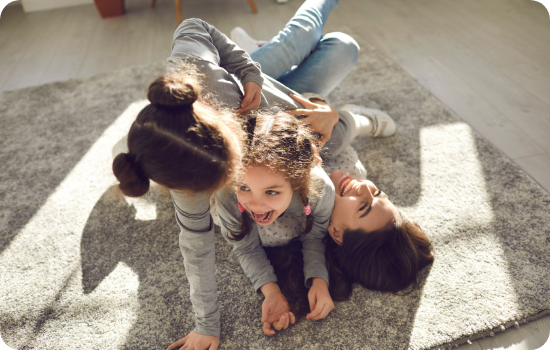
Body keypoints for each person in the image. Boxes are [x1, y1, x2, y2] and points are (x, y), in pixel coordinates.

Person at [113, 0, 397, 349]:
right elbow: (197, 249)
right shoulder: (192, 189)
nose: (246, 198)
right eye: (237, 186)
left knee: (334, 45)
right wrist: (207, 326)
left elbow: (195, 25)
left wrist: (248, 72)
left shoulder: (280, 130)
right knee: (340, 46)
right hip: (245, 100)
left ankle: (254, 50)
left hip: (258, 89)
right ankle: (255, 51)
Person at [215, 112, 335, 336]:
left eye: (271, 192)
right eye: (244, 187)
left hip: (309, 121)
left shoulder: (320, 190)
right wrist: (271, 291)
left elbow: (315, 237)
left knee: (339, 136)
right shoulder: (226, 193)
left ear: (298, 182)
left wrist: (319, 280)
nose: (256, 204)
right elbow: (245, 246)